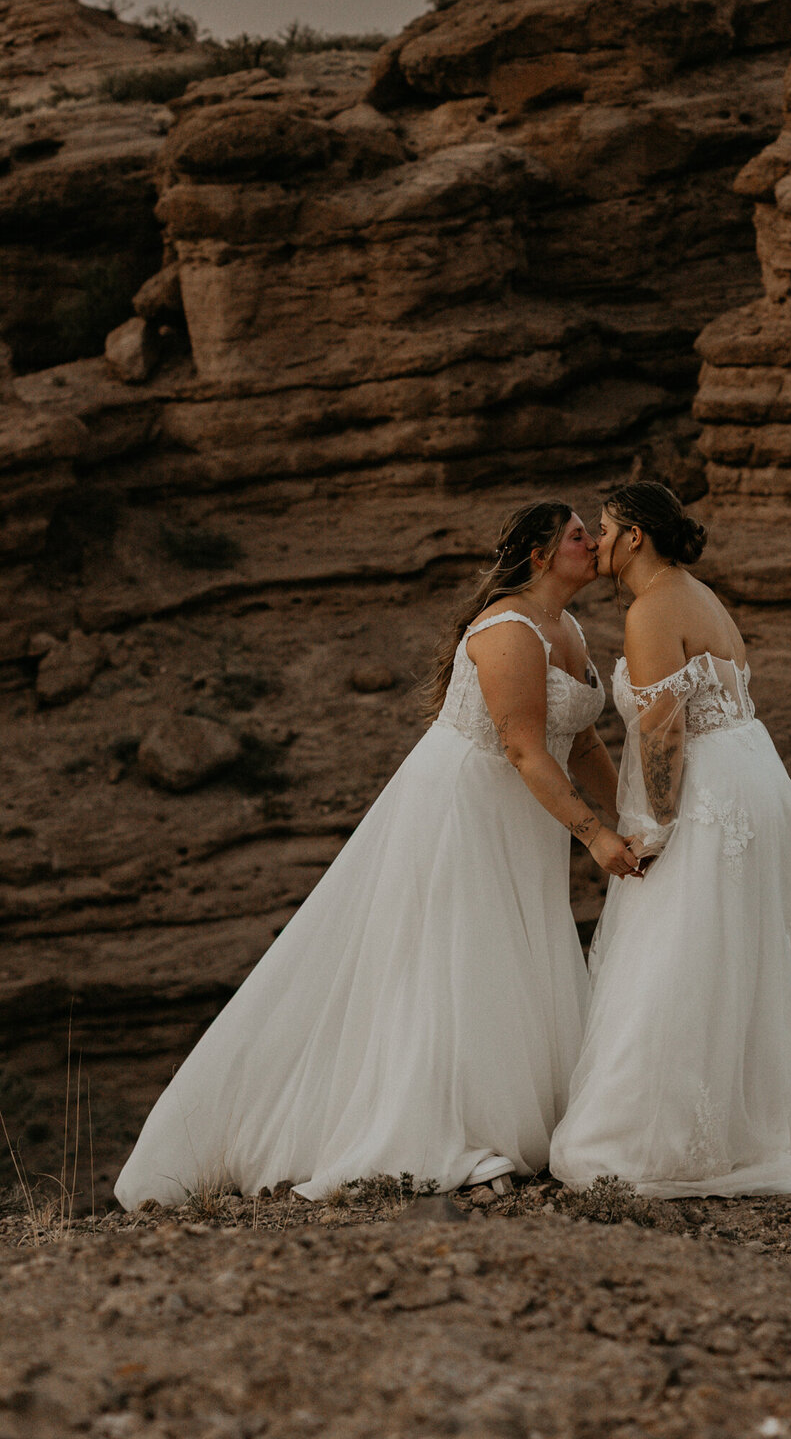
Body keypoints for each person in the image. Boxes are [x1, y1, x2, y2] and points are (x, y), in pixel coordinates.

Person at [115, 502, 640, 1210]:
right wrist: (594, 835)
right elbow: (521, 747)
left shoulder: (567, 627)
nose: (592, 545)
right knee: (457, 960)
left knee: (516, 956)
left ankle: (523, 1116)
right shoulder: (510, 631)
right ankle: (448, 1126)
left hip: (524, 812)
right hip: (465, 807)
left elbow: (579, 741)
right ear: (541, 556)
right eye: (579, 536)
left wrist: (631, 814)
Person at [551, 481, 791, 1197]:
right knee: (722, 949)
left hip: (710, 795)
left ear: (636, 535)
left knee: (679, 945)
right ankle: (731, 1126)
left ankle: (649, 1137)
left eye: (605, 529)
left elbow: (663, 730)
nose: (598, 542)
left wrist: (653, 826)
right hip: (754, 777)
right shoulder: (696, 595)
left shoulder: (650, 611)